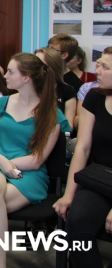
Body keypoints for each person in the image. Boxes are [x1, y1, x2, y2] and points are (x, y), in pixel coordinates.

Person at [0, 53, 69, 268]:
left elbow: (36, 161)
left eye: (11, 72)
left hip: (29, 175)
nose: (5, 76)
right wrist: (2, 164)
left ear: (26, 78)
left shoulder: (51, 113)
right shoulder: (2, 103)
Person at [54, 47, 112, 266]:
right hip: (100, 177)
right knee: (77, 224)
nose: (97, 71)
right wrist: (69, 194)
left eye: (105, 67)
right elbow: (83, 148)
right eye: (98, 65)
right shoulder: (94, 97)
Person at [35, 47, 76, 129]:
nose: (34, 67)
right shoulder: (29, 87)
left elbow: (69, 126)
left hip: (56, 132)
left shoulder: (67, 90)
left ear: (52, 66)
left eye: (38, 64)